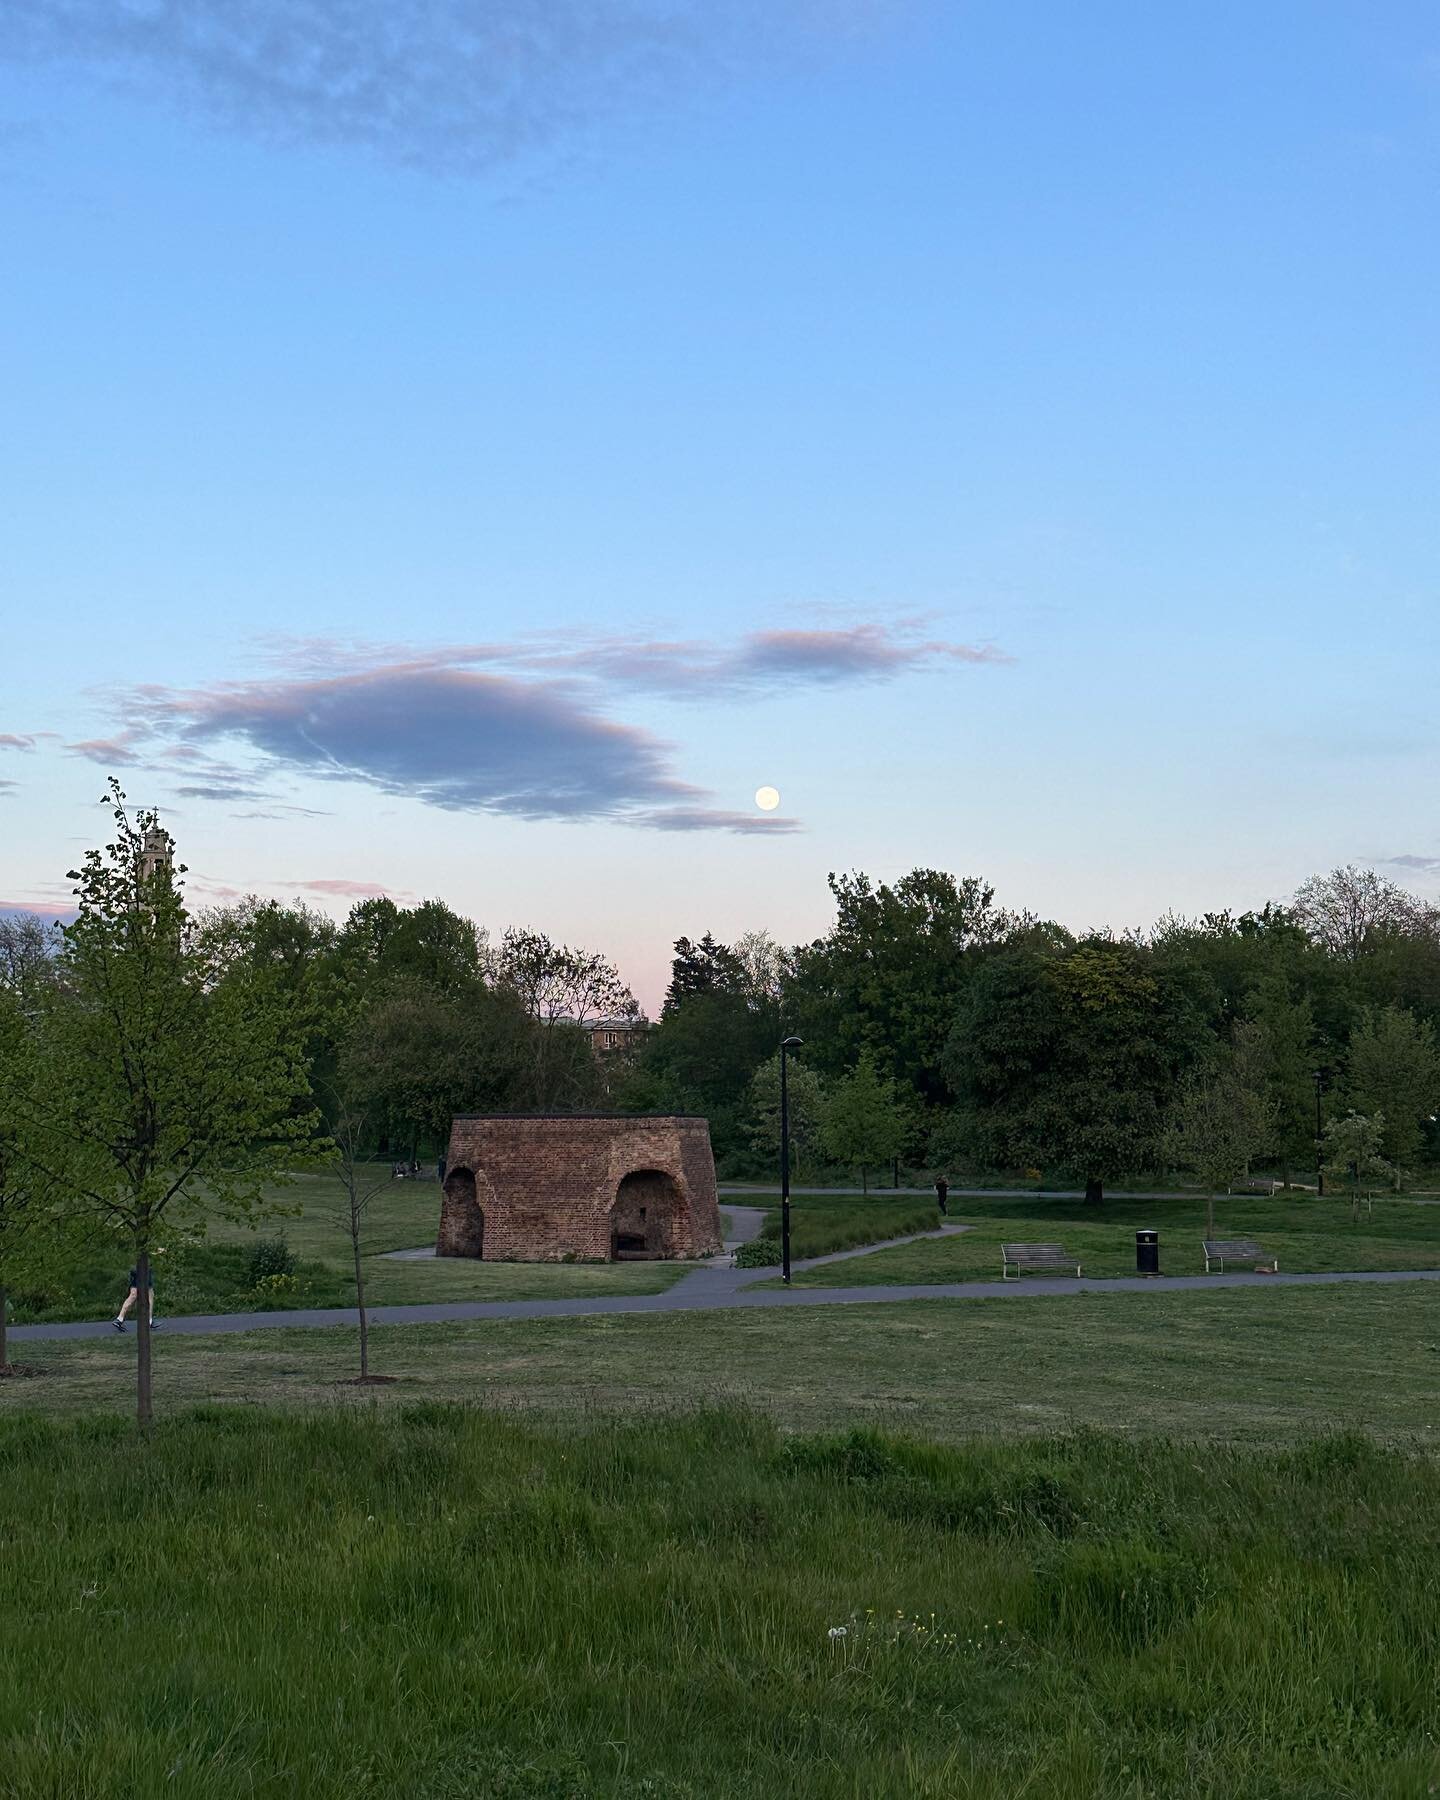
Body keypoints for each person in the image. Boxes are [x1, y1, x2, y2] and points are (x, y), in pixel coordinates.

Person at [114, 1262, 157, 1331]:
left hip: (136, 1268)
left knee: (134, 1295)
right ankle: (149, 1321)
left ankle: (119, 1319)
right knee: (149, 1295)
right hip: (142, 1268)